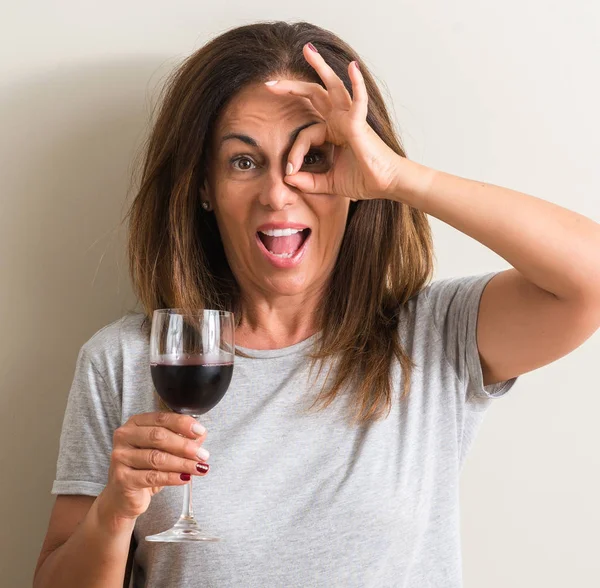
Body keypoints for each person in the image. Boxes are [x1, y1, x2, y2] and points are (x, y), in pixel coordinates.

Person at [34, 20, 600, 588]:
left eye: (313, 158)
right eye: (244, 161)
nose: (279, 192)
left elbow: (589, 279)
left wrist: (399, 177)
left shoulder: (432, 336)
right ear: (204, 187)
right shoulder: (124, 360)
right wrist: (114, 513)